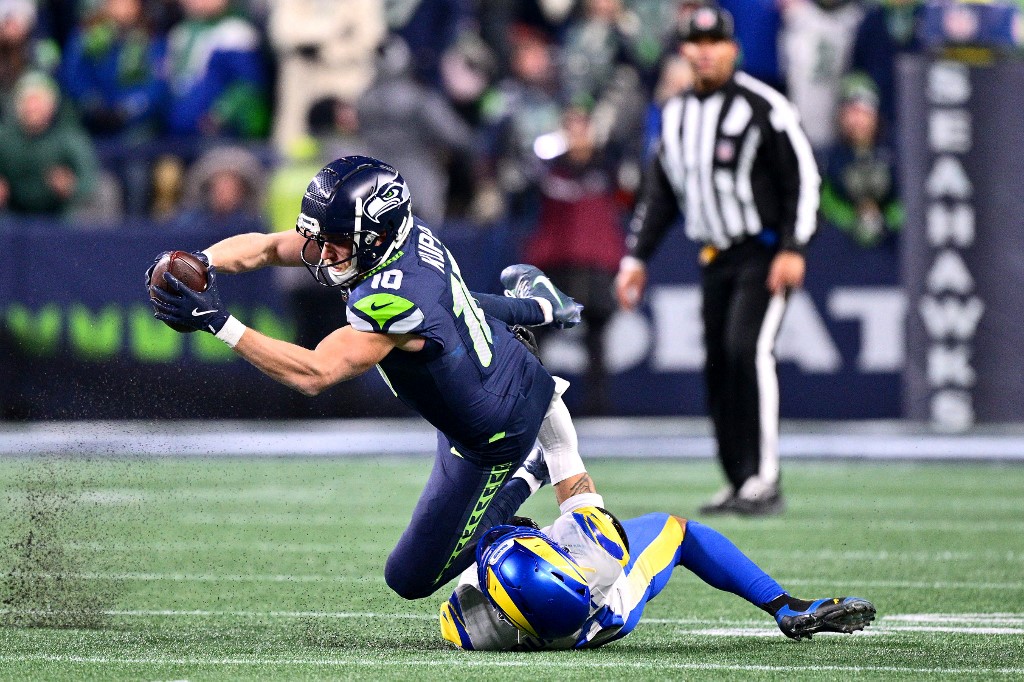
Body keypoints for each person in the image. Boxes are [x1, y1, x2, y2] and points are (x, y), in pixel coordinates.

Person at [146, 155, 585, 600]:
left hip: (494, 431)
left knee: (410, 578)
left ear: (376, 235)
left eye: (335, 240)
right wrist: (203, 261)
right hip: (486, 367)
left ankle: (530, 471)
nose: (322, 251)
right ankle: (541, 305)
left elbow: (315, 372)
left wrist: (220, 323)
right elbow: (268, 247)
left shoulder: (393, 296)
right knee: (451, 311)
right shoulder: (400, 236)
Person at [614, 7, 820, 516]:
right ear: (683, 50)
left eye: (714, 40)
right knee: (718, 366)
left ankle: (764, 480)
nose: (705, 49)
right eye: (696, 41)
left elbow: (803, 179)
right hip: (713, 257)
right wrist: (636, 257)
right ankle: (738, 478)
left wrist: (793, 247)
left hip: (763, 249)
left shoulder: (763, 105)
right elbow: (659, 193)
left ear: (733, 48)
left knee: (747, 351)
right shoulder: (677, 112)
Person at [439, 426, 876, 650]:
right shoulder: (596, 560)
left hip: (561, 612)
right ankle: (784, 605)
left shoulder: (468, 622)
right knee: (680, 530)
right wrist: (540, 398)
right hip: (610, 607)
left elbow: (474, 539)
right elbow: (563, 456)